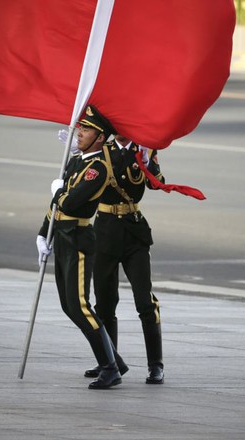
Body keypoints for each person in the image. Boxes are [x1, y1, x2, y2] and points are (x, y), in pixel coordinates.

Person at [36, 105, 127, 389]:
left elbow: (71, 202)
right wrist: (43, 234)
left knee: (80, 305)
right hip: (61, 236)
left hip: (77, 239)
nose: (80, 133)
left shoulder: (98, 168)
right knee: (69, 306)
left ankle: (110, 368)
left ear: (100, 137)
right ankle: (115, 359)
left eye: (86, 130)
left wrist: (58, 191)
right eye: (81, 128)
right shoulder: (77, 161)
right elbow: (56, 205)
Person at [82, 134, 166, 384]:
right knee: (105, 303)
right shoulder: (100, 150)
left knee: (145, 302)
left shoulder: (143, 149)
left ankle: (155, 365)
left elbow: (156, 183)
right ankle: (110, 362)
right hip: (105, 232)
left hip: (133, 233)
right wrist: (79, 154)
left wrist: (149, 160)